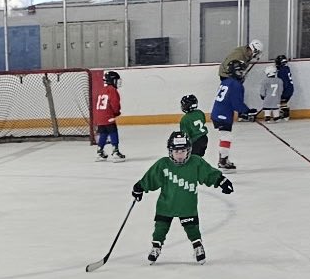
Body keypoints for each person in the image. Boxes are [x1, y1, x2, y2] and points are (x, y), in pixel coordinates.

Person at [132, 131, 233, 265]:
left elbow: (208, 173)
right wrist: (140, 187)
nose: (179, 155)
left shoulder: (195, 162)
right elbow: (151, 178)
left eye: (183, 151)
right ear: (170, 151)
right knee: (160, 228)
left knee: (192, 228)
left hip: (187, 205)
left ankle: (197, 246)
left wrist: (221, 181)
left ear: (188, 151)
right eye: (176, 151)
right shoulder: (163, 164)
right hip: (166, 204)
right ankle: (156, 247)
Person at [210, 60, 254, 171]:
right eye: (241, 71)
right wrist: (246, 111)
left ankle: (223, 159)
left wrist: (245, 112)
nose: (243, 74)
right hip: (223, 114)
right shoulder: (236, 85)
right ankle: (223, 161)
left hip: (218, 112)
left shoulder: (225, 82)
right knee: (226, 136)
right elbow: (236, 103)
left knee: (224, 135)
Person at [93, 70, 125, 160]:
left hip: (99, 116)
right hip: (108, 115)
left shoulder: (102, 90)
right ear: (112, 80)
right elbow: (115, 103)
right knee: (113, 131)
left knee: (103, 133)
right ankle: (116, 152)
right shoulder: (112, 90)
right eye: (116, 80)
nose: (118, 82)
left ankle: (99, 152)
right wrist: (116, 112)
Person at [274, 55, 294, 120]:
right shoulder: (287, 68)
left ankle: (285, 115)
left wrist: (281, 90)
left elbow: (284, 82)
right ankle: (285, 115)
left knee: (281, 102)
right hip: (290, 88)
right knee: (283, 102)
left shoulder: (281, 71)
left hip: (286, 89)